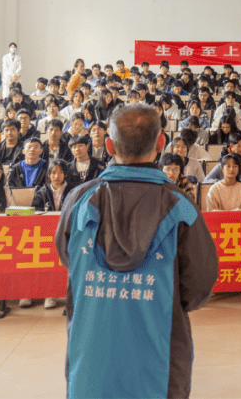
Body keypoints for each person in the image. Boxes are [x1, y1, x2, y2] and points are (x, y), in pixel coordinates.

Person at [54, 102, 217, 397]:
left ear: (108, 145)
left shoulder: (78, 201)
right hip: (158, 359)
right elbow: (199, 286)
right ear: (161, 142)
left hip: (90, 357)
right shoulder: (180, 206)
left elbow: (68, 257)